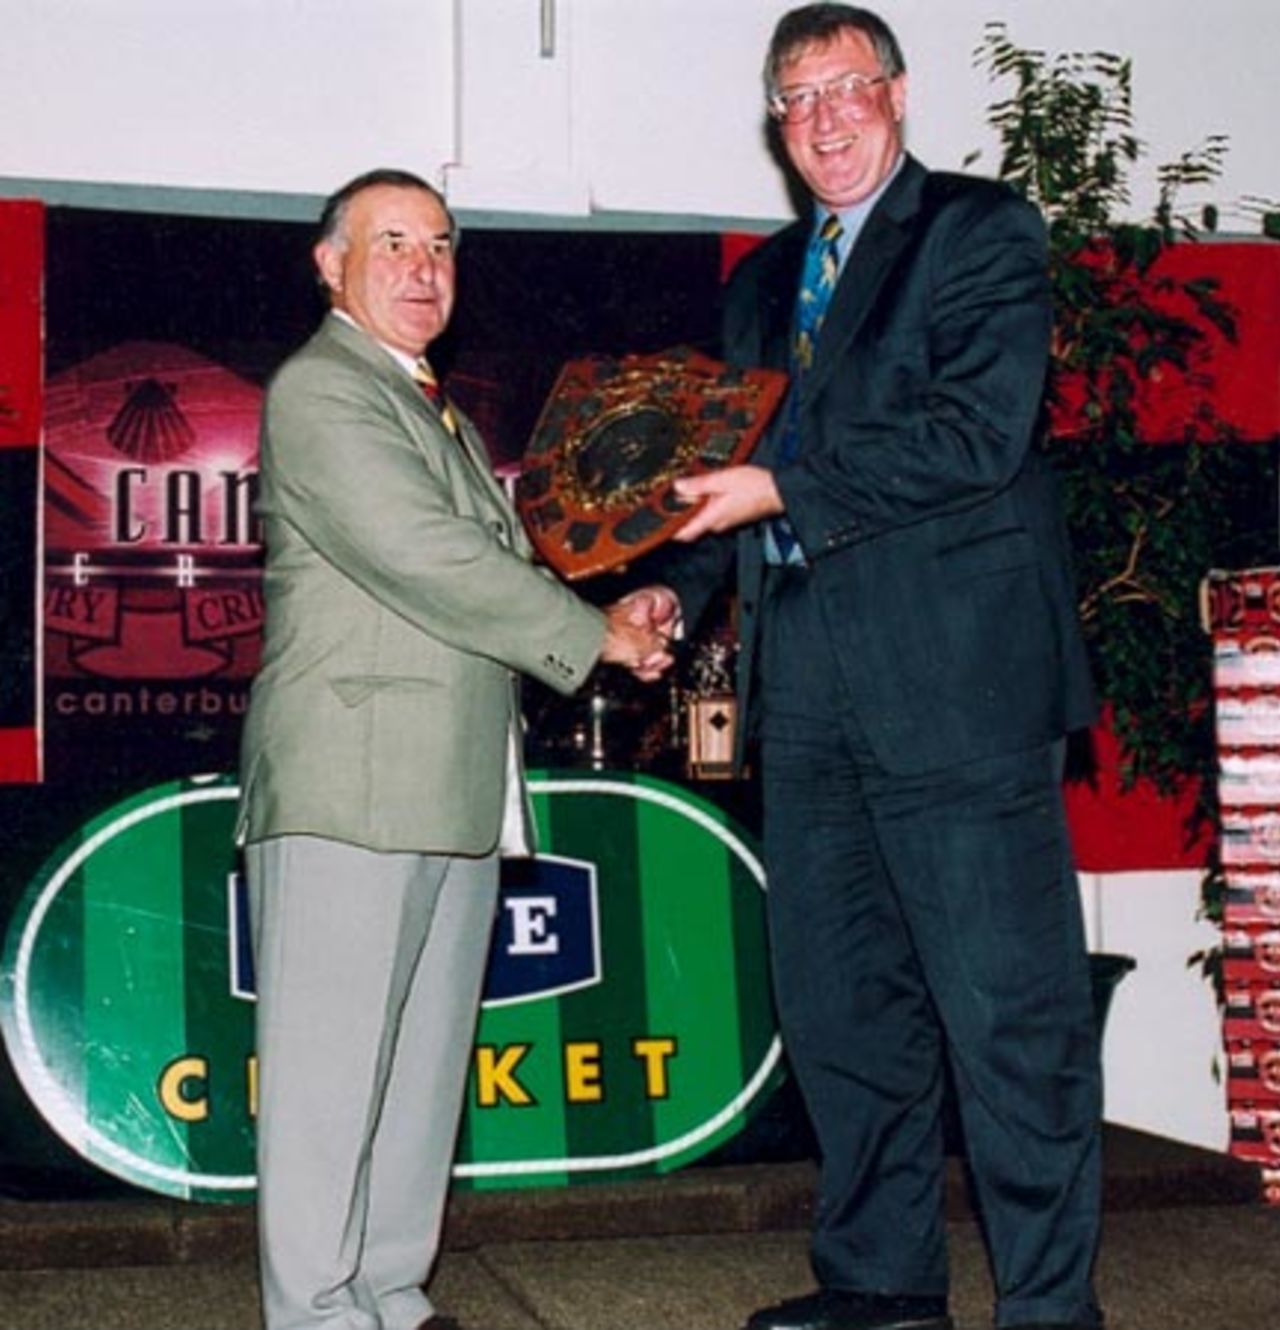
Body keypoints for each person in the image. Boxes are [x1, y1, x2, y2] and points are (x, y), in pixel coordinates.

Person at [629, 7, 1103, 1330]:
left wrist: (777, 482)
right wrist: (677, 580)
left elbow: (977, 434)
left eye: (847, 88)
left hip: (962, 689)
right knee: (846, 1012)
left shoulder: (979, 232)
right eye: (797, 97)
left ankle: (1052, 1305)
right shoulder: (757, 284)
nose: (825, 116)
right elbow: (739, 496)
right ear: (776, 127)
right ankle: (884, 1281)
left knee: (1009, 1018)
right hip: (814, 699)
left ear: (897, 95)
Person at [236, 167, 670, 1330]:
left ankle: (386, 1287)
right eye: (392, 245)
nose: (423, 270)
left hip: (452, 784)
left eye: (439, 246)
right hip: (349, 786)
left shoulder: (427, 404)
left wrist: (617, 617)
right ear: (330, 266)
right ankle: (318, 1308)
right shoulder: (322, 391)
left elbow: (503, 571)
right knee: (332, 1079)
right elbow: (424, 558)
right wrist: (593, 641)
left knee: (419, 1078)